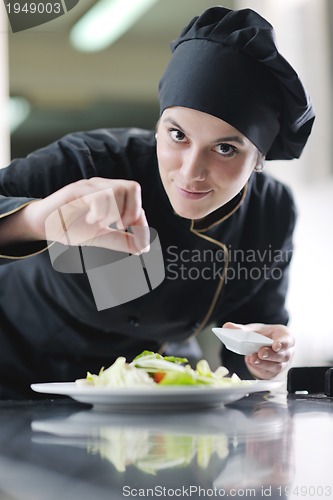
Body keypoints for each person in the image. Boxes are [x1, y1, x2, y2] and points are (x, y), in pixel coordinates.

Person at [0, 6, 315, 399]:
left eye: (224, 148)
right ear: (157, 126)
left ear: (259, 161)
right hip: (14, 364)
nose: (190, 171)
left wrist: (262, 356)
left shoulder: (271, 212)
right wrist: (36, 221)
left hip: (144, 384)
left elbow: (255, 334)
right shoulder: (90, 162)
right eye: (178, 135)